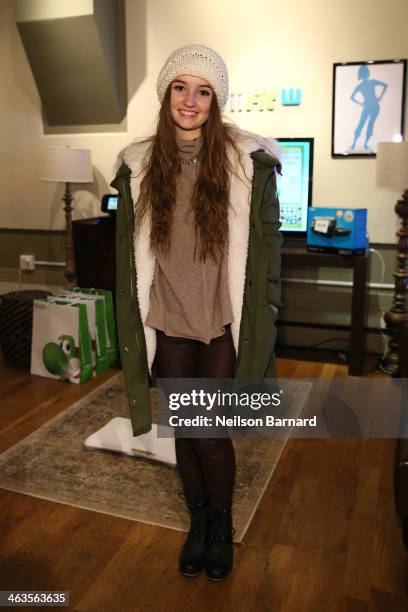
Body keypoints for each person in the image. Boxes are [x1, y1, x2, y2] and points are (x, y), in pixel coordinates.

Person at [111, 44, 282, 581]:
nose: (190, 100)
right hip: (168, 316)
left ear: (216, 101)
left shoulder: (245, 164)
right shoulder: (138, 167)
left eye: (203, 91)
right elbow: (128, 255)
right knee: (184, 430)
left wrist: (268, 305)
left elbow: (269, 244)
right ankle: (198, 521)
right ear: (166, 94)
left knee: (209, 431)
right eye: (180, 88)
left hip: (222, 321)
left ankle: (221, 524)